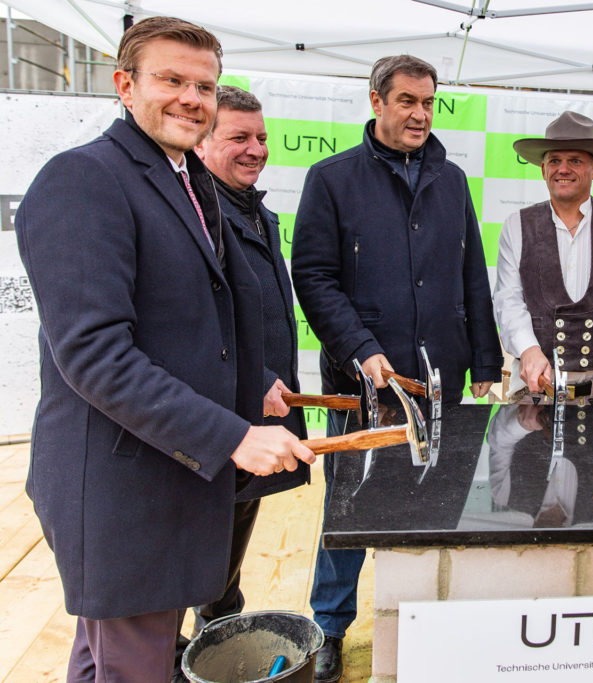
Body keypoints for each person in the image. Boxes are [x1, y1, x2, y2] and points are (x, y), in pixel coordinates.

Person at [14, 16, 314, 680]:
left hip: (169, 483)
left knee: (103, 661)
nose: (191, 98)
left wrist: (253, 382)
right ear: (125, 84)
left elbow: (191, 314)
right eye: (170, 80)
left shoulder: (186, 178)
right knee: (132, 667)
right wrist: (234, 434)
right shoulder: (83, 179)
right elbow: (94, 355)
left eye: (204, 85)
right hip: (123, 492)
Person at [291, 54, 503, 682]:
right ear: (377, 101)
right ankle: (329, 628)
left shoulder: (453, 179)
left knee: (437, 505)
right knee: (350, 505)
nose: (419, 114)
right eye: (407, 100)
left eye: (429, 102)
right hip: (366, 385)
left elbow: (473, 276)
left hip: (445, 380)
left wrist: (486, 360)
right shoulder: (331, 179)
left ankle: (428, 621)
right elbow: (314, 276)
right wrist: (360, 347)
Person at [189, 85, 310, 635]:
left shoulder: (258, 211)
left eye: (261, 137)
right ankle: (173, 653)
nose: (256, 149)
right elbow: (191, 320)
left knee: (233, 530)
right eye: (239, 137)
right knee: (194, 546)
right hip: (217, 411)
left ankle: (217, 633)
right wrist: (254, 377)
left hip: (257, 410)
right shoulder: (194, 214)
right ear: (202, 141)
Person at [493, 110, 593, 402]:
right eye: (554, 161)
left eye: (575, 161)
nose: (562, 169)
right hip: (536, 389)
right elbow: (508, 298)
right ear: (543, 169)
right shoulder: (517, 225)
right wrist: (529, 350)